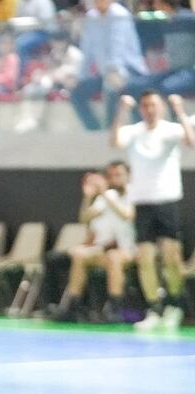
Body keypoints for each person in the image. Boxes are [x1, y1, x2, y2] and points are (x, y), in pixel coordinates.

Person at [110, 91, 195, 331]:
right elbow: (115, 142)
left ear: (161, 107)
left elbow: (191, 141)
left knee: (171, 258)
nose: (150, 109)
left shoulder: (171, 129)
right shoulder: (134, 131)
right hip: (143, 203)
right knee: (145, 258)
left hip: (167, 201)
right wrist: (122, 110)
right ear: (141, 109)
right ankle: (155, 308)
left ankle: (174, 306)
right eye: (145, 105)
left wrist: (180, 110)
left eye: (154, 105)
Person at [52, 163, 136, 323]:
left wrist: (104, 193)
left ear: (128, 176)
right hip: (109, 251)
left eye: (118, 175)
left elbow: (127, 215)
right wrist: (88, 197)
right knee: (80, 257)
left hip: (131, 250)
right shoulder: (109, 196)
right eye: (111, 176)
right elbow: (84, 218)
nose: (114, 179)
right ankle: (73, 307)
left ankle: (115, 310)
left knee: (114, 257)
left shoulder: (134, 194)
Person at [71, 0, 148, 131]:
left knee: (113, 90)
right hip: (105, 72)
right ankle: (95, 130)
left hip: (128, 69)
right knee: (77, 93)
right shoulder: (91, 17)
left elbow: (117, 46)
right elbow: (87, 50)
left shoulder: (120, 14)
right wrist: (81, 76)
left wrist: (114, 74)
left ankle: (115, 131)